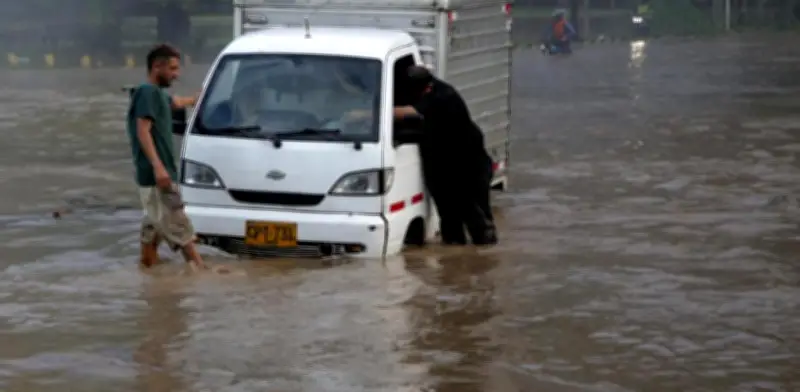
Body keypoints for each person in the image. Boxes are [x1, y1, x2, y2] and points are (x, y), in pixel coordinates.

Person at [392, 66, 498, 246]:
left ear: (425, 88)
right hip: (442, 159)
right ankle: (455, 254)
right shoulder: (430, 89)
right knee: (448, 214)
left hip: (467, 162)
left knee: (472, 211)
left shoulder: (442, 96)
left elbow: (409, 112)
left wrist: (376, 111)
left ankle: (483, 252)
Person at [126, 44, 205, 270]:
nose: (176, 74)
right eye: (172, 69)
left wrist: (193, 100)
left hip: (151, 175)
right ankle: (200, 271)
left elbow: (173, 103)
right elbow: (143, 130)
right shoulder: (147, 92)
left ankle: (147, 268)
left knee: (153, 225)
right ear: (156, 67)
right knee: (178, 221)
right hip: (157, 174)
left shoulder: (156, 95)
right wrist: (158, 167)